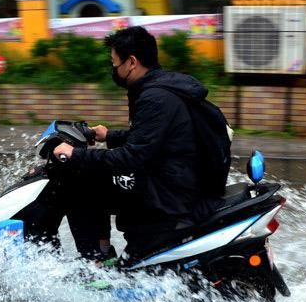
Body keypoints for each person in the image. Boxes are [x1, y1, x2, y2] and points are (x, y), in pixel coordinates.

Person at [52, 26, 209, 262]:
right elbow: (151, 138)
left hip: (165, 192)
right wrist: (110, 136)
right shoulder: (161, 88)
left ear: (131, 62)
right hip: (173, 179)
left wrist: (74, 154)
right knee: (94, 178)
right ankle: (103, 253)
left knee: (78, 182)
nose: (114, 69)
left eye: (115, 64)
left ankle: (96, 260)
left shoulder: (154, 97)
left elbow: (132, 157)